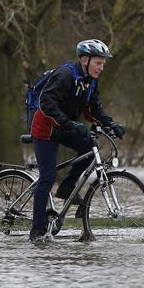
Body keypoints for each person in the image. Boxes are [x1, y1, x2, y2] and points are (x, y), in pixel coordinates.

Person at [28, 39, 125, 242]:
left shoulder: (90, 81)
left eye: (103, 63)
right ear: (84, 60)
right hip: (46, 128)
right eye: (98, 62)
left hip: (65, 126)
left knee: (90, 146)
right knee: (47, 176)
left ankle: (67, 187)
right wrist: (70, 124)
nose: (102, 67)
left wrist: (110, 123)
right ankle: (37, 231)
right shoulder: (65, 75)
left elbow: (93, 108)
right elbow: (46, 104)